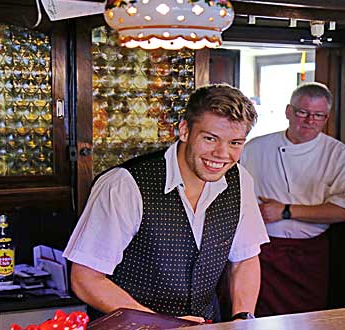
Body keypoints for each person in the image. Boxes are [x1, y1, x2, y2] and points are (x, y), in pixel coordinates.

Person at [63, 84, 269, 323]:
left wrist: (243, 317)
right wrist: (161, 325)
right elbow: (85, 278)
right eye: (210, 138)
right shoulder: (124, 184)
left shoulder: (240, 180)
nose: (222, 154)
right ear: (184, 130)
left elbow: (245, 259)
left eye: (235, 143)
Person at [240, 82, 345, 316]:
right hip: (264, 253)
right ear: (288, 111)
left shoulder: (337, 153)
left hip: (310, 255)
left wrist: (285, 210)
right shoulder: (254, 148)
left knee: (309, 318)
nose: (309, 120)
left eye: (318, 115)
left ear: (326, 117)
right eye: (302, 112)